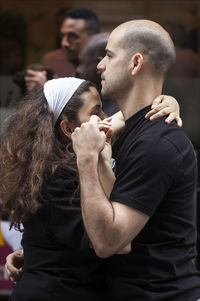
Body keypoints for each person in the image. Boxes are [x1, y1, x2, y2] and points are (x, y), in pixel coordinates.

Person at [71, 20, 200, 300]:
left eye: (109, 55)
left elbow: (107, 242)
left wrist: (86, 159)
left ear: (136, 62)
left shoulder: (157, 144)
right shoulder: (128, 129)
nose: (100, 66)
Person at [39, 7, 100, 79]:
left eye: (73, 36)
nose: (64, 43)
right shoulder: (50, 60)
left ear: (92, 38)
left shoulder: (103, 74)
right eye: (62, 36)